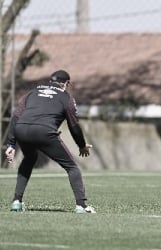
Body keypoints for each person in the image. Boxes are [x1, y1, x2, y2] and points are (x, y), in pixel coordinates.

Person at [5, 70, 96, 214]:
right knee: (71, 167)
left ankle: (17, 202)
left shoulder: (32, 92)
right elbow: (74, 126)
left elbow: (16, 117)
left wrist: (11, 144)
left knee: (29, 159)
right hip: (44, 132)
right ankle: (82, 206)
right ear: (66, 83)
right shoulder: (66, 97)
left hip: (21, 129)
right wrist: (82, 146)